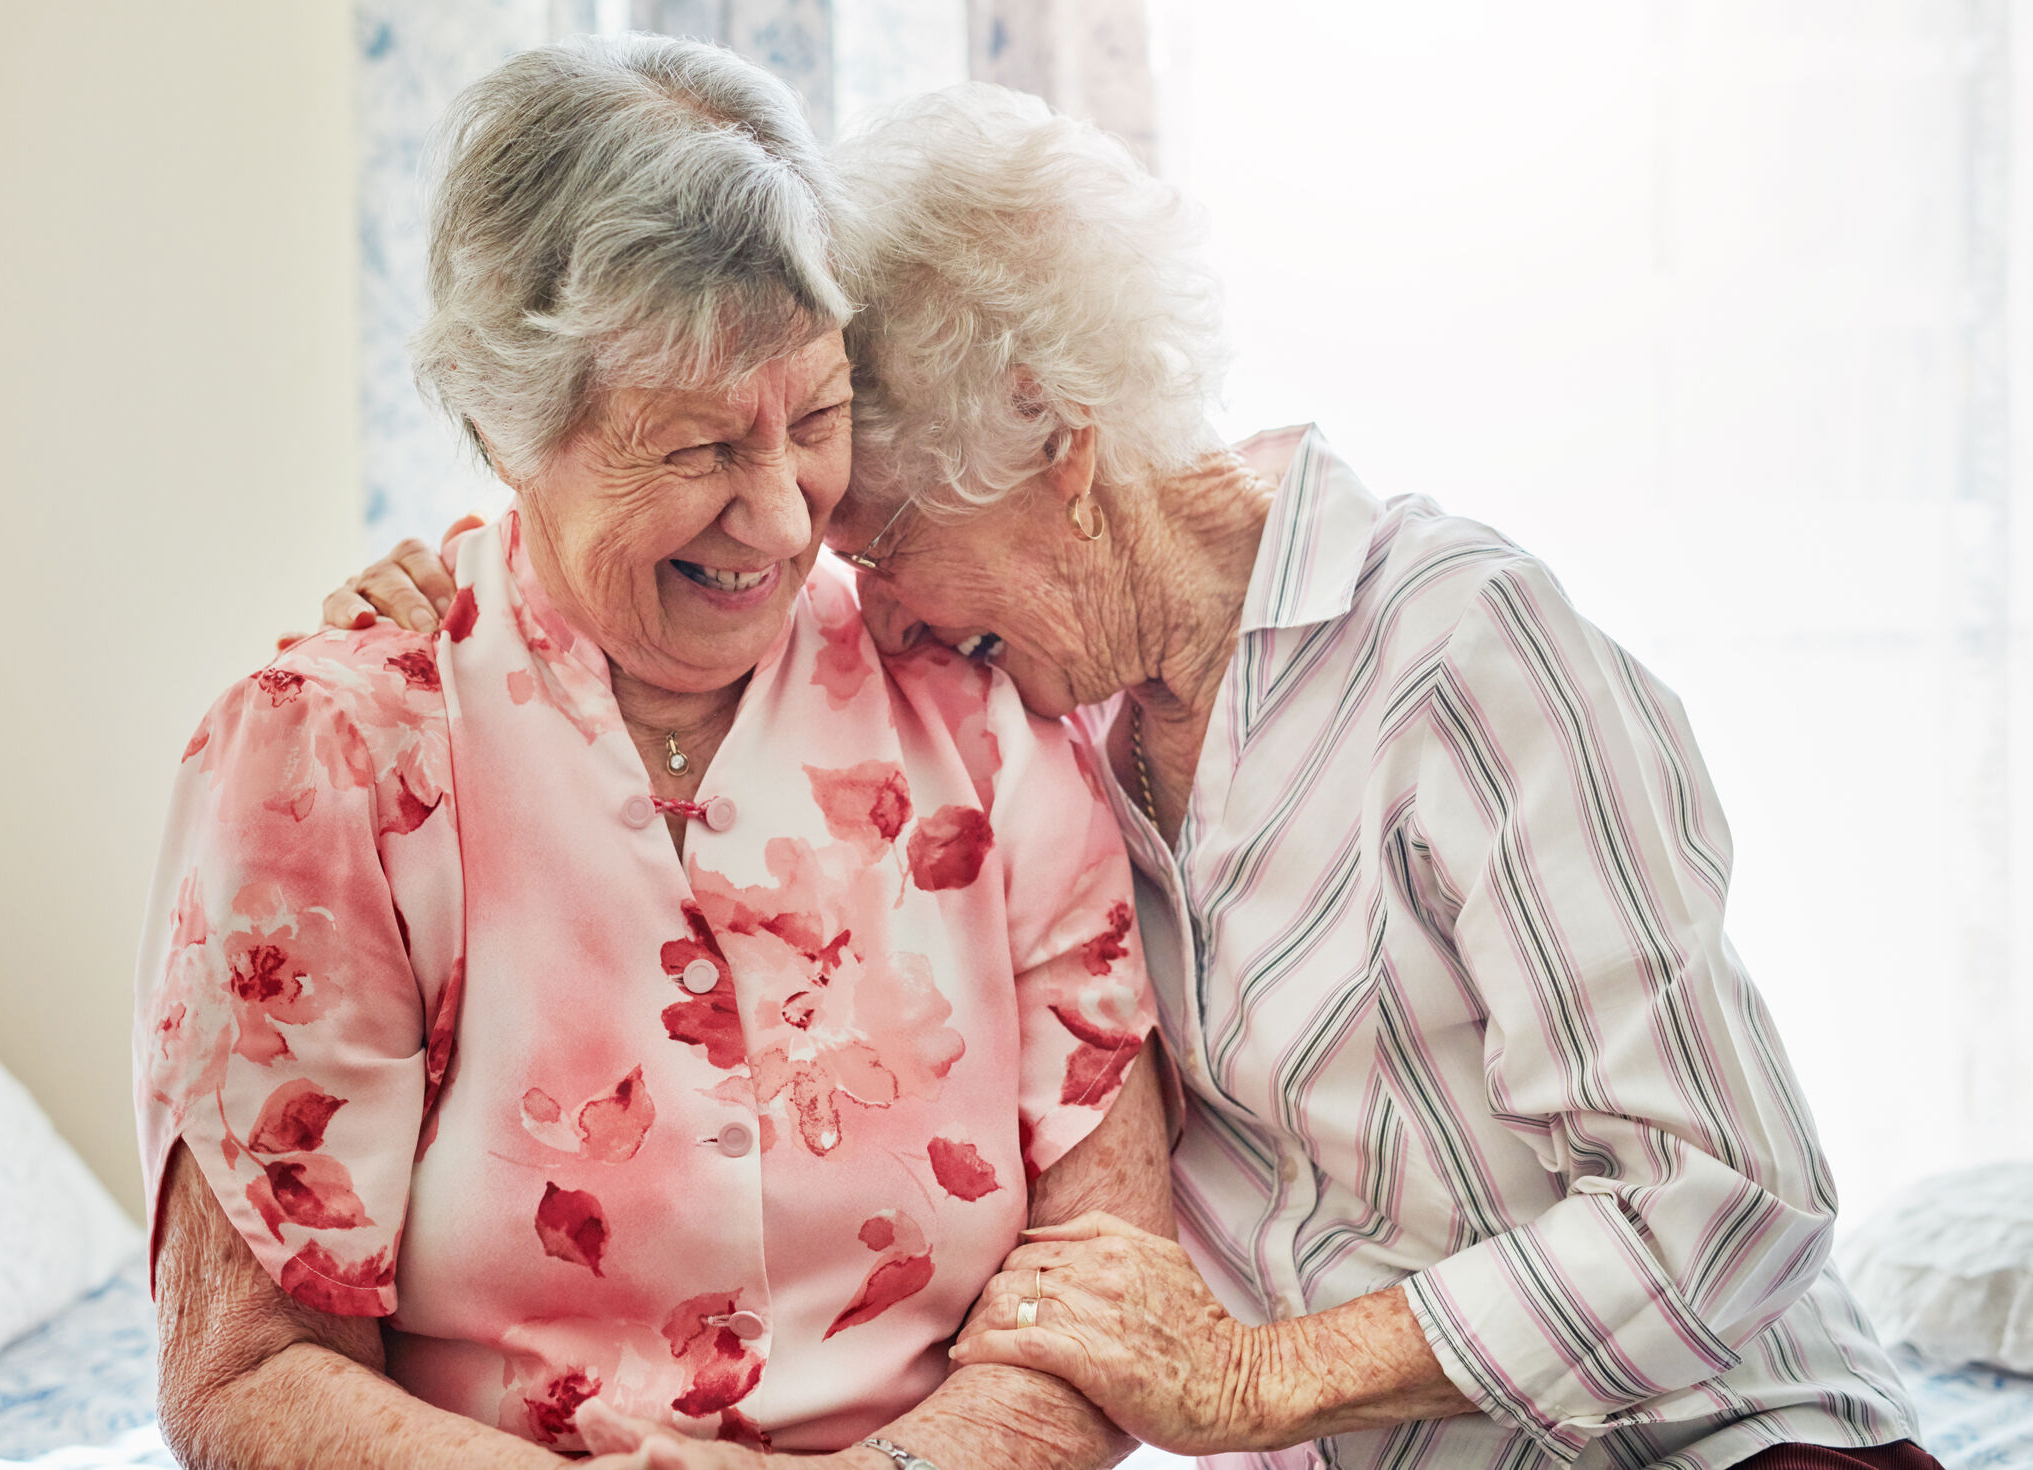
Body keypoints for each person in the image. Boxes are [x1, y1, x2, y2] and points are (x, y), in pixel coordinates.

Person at [333, 83, 1937, 1470]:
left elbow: (1731, 1197)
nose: (866, 605)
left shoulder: (1456, 646)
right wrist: (476, 598)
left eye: (881, 536)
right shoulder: (1038, 733)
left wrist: (1254, 1376)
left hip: (1713, 1435)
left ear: (1053, 443)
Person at [136, 42, 1171, 1470]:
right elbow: (248, 1369)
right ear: (513, 427)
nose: (778, 517)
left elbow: (1110, 1277)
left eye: (811, 421)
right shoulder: (336, 758)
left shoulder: (976, 717)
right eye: (692, 449)